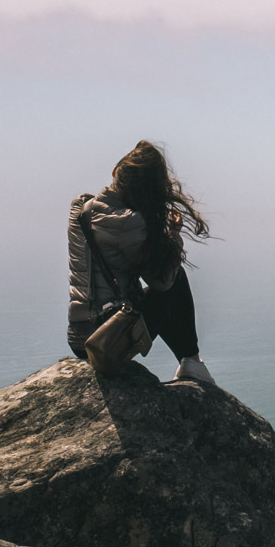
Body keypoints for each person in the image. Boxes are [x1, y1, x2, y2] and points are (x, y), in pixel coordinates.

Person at [67, 141, 216, 385]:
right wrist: (173, 236)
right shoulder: (129, 222)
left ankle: (190, 362)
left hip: (78, 335)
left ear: (115, 172)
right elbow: (162, 282)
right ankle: (191, 361)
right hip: (109, 338)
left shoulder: (81, 208)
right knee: (175, 276)